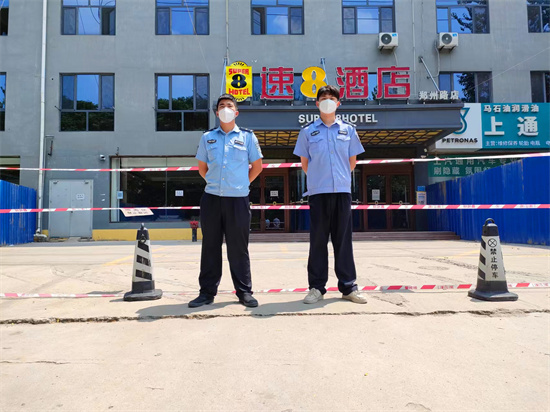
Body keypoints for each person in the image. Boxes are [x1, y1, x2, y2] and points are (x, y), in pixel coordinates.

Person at [293, 85, 367, 304]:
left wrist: (339, 179)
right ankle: (316, 287)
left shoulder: (349, 130)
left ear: (338, 103)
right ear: (317, 103)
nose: (327, 101)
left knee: (343, 241)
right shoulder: (307, 132)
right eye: (323, 98)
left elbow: (352, 162)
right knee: (318, 241)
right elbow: (305, 163)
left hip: (342, 191)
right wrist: (320, 179)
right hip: (318, 193)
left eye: (331, 98)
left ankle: (348, 287)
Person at [190, 94, 263, 308]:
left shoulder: (248, 137)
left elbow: (257, 167)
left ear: (236, 112)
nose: (225, 108)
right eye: (221, 106)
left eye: (229, 105)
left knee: (238, 248)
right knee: (210, 247)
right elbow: (202, 168)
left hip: (238, 200)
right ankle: (206, 293)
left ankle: (244, 292)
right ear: (216, 113)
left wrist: (241, 184)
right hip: (212, 199)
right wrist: (216, 185)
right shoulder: (207, 138)